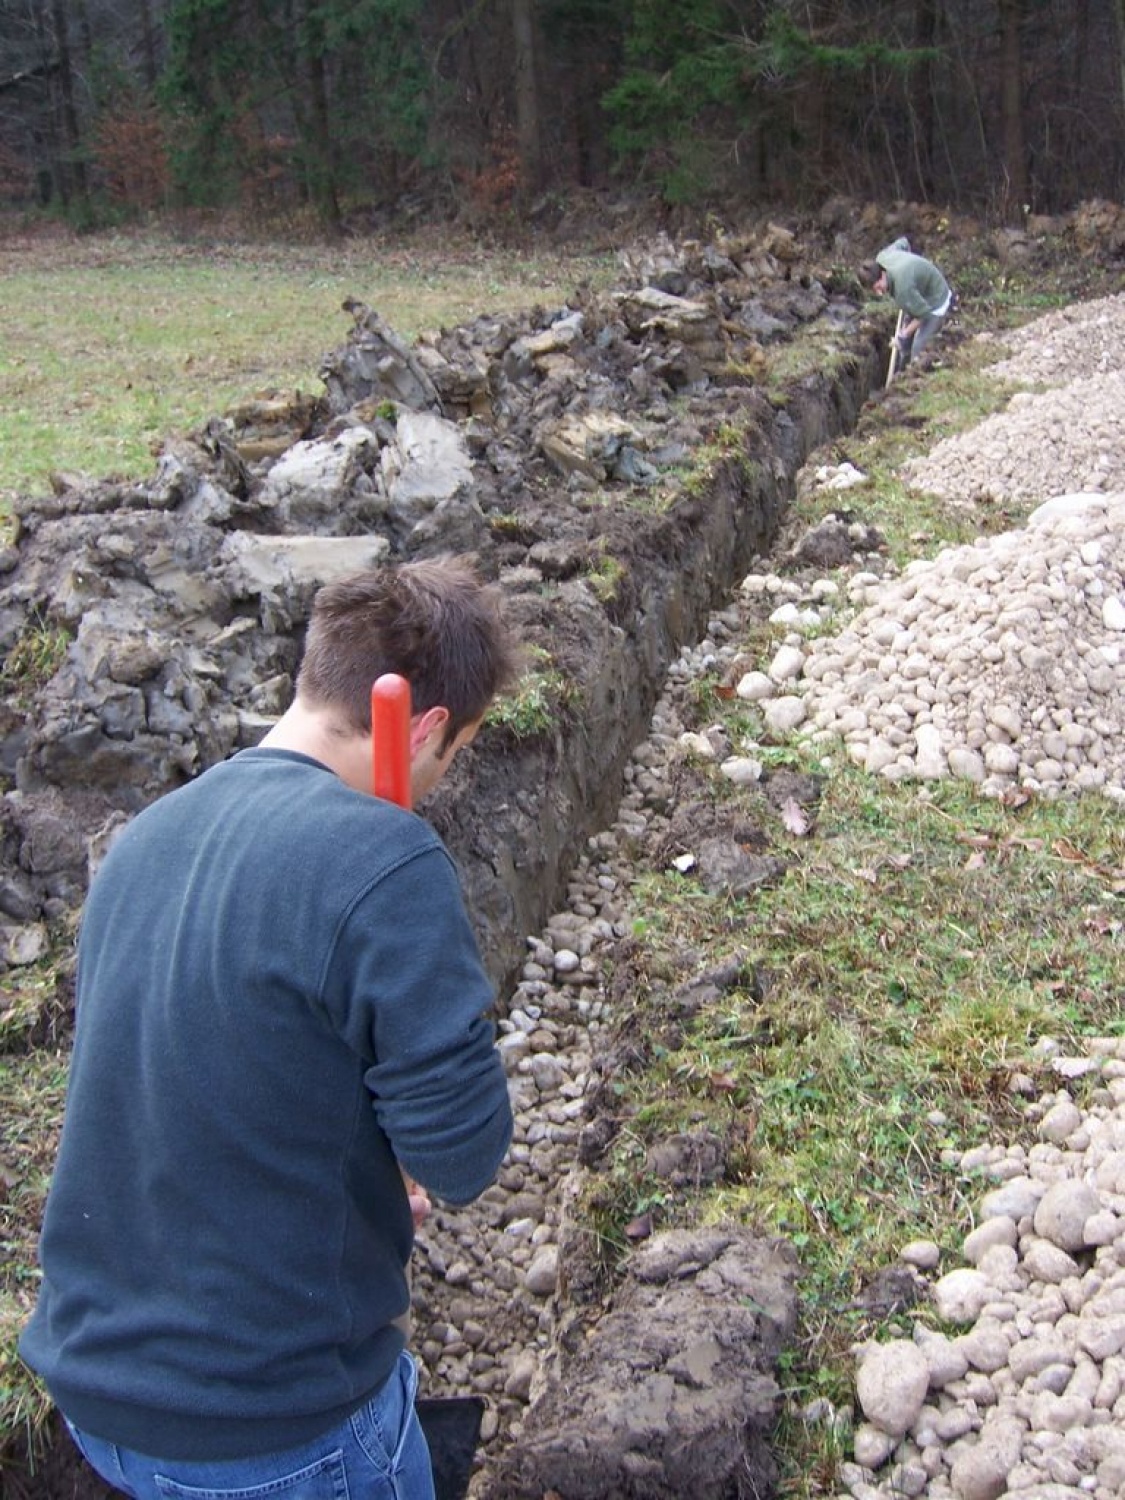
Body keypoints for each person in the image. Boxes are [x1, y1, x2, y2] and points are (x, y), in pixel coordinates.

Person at [19, 556, 521, 1500]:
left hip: (100, 1395)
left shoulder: (147, 839)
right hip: (271, 1431)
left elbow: (206, 1075)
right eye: (455, 758)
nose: (446, 779)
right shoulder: (382, 858)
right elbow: (461, 1156)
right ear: (422, 732)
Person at [869, 236, 954, 370]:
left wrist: (904, 333)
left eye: (879, 287)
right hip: (917, 293)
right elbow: (903, 242)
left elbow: (924, 315)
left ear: (883, 274)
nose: (879, 293)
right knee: (904, 346)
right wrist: (911, 267)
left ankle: (914, 374)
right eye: (875, 290)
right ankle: (901, 373)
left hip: (935, 300)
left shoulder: (903, 289)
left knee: (917, 349)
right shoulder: (883, 256)